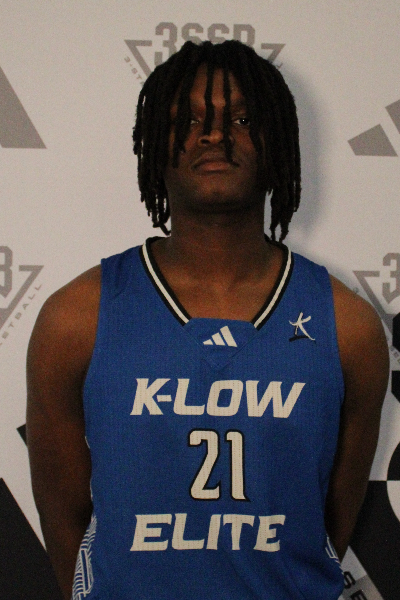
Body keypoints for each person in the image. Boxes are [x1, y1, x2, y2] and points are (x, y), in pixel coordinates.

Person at [26, 40, 389, 600]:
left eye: (241, 119)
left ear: (277, 142)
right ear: (153, 144)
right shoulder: (75, 318)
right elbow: (63, 515)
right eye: (188, 120)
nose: (214, 136)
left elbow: (329, 523)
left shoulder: (349, 327)